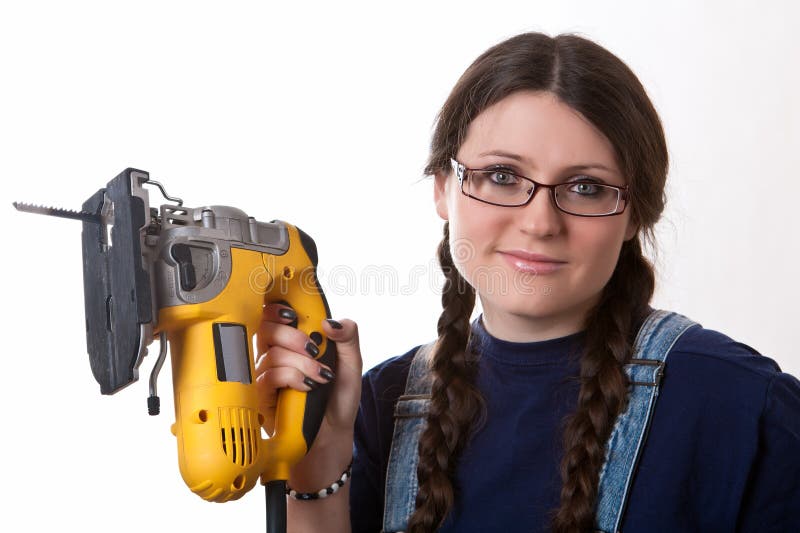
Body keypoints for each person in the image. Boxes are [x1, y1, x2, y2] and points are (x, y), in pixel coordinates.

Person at [255, 32, 800, 532]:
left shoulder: (744, 405)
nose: (540, 223)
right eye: (501, 176)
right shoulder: (380, 404)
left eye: (586, 187)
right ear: (443, 188)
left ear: (636, 214)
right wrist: (318, 461)